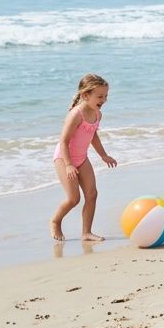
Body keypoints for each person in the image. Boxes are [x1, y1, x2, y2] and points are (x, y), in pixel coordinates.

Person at [49, 73, 117, 242]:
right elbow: (63, 142)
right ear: (86, 95)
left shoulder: (97, 113)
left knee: (92, 194)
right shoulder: (76, 114)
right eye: (100, 96)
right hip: (64, 158)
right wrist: (69, 165)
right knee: (74, 199)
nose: (104, 100)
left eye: (106, 96)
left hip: (81, 158)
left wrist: (103, 155)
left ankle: (86, 232)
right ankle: (55, 221)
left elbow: (93, 135)